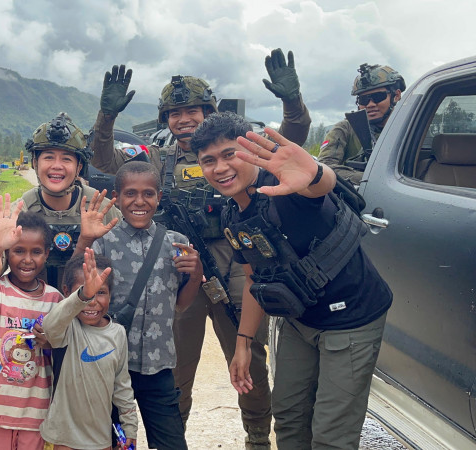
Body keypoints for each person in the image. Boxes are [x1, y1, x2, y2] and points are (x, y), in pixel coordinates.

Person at [89, 50, 311, 448]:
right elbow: (105, 160)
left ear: (209, 111)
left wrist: (292, 103)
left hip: (238, 265)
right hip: (181, 271)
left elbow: (289, 143)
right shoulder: (157, 159)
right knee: (176, 368)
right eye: (175, 112)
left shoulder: (236, 148)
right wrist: (107, 118)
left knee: (251, 360)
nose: (184, 118)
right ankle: (174, 437)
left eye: (193, 109)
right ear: (165, 120)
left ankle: (258, 437)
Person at [190, 112, 392, 449]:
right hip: (299, 321)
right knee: (288, 419)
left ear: (251, 150)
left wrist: (315, 171)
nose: (220, 168)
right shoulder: (232, 212)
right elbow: (254, 280)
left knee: (331, 435)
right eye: (208, 161)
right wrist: (242, 343)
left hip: (351, 318)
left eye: (230, 154)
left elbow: (318, 186)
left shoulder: (287, 185)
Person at [73, 161, 203, 450]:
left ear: (159, 197)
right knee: (110, 441)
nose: (140, 201)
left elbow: (181, 304)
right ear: (117, 198)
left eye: (148, 193)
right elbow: (77, 290)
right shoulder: (104, 243)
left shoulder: (177, 244)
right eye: (131, 193)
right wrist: (85, 240)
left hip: (160, 368)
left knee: (172, 443)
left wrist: (195, 275)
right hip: (111, 366)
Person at [0, 113, 121, 289]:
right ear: (35, 163)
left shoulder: (100, 208)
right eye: (49, 157)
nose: (56, 166)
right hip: (31, 311)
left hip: (85, 311)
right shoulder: (20, 211)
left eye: (66, 158)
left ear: (79, 167)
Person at [0, 208, 64, 450]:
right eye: (18, 251)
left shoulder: (54, 300)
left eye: (36, 252)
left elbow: (62, 346)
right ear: (7, 253)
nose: (27, 259)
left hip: (36, 414)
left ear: (47, 254)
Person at [39, 250, 138, 450]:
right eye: (86, 292)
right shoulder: (68, 328)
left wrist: (130, 428)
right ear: (67, 292)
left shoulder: (117, 333)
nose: (92, 301)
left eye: (100, 292)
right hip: (62, 439)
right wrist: (82, 296)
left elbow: (122, 387)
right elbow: (50, 326)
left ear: (111, 294)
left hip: (100, 440)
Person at [318, 63, 406, 184]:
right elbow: (324, 168)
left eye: (378, 97)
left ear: (396, 96)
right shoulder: (346, 129)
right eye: (363, 99)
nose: (370, 104)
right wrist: (371, 180)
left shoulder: (409, 128)